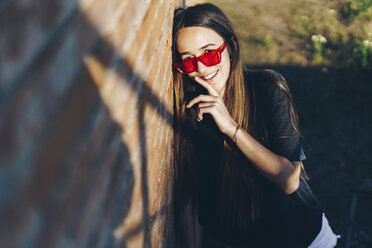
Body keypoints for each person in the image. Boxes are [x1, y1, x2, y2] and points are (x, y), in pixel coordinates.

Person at [171, 3, 341, 248]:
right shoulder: (189, 112)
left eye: (209, 53)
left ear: (231, 46)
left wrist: (231, 128)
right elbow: (186, 195)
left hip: (304, 239)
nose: (201, 68)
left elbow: (289, 180)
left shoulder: (267, 89)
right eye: (188, 61)